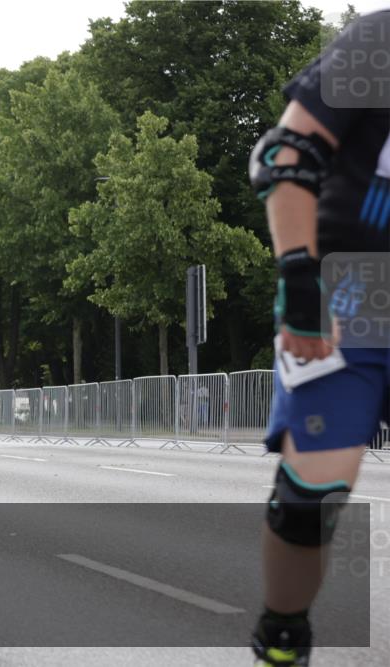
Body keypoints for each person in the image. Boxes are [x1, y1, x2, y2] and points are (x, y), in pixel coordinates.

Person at [247, 11, 389, 666]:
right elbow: (289, 153)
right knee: (312, 498)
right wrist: (300, 279)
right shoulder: (382, 40)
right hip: (351, 289)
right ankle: (284, 634)